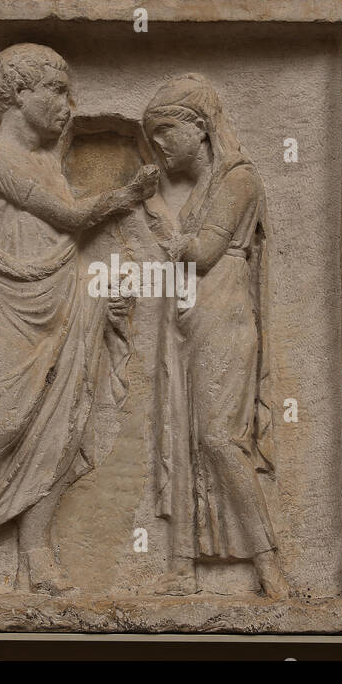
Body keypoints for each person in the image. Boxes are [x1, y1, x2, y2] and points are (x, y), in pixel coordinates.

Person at [0, 43, 157, 598]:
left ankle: (36, 553)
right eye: (55, 90)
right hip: (10, 311)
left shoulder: (50, 159)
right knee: (3, 427)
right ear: (18, 92)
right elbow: (71, 217)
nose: (67, 104)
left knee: (65, 423)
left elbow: (66, 232)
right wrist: (128, 194)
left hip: (67, 299)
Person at [139, 73, 288, 599]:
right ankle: (181, 565)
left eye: (166, 132)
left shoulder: (237, 178)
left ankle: (270, 566)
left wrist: (152, 208)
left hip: (222, 314)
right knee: (181, 436)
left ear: (199, 129)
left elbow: (201, 254)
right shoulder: (204, 186)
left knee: (221, 440)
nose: (158, 146)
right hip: (189, 319)